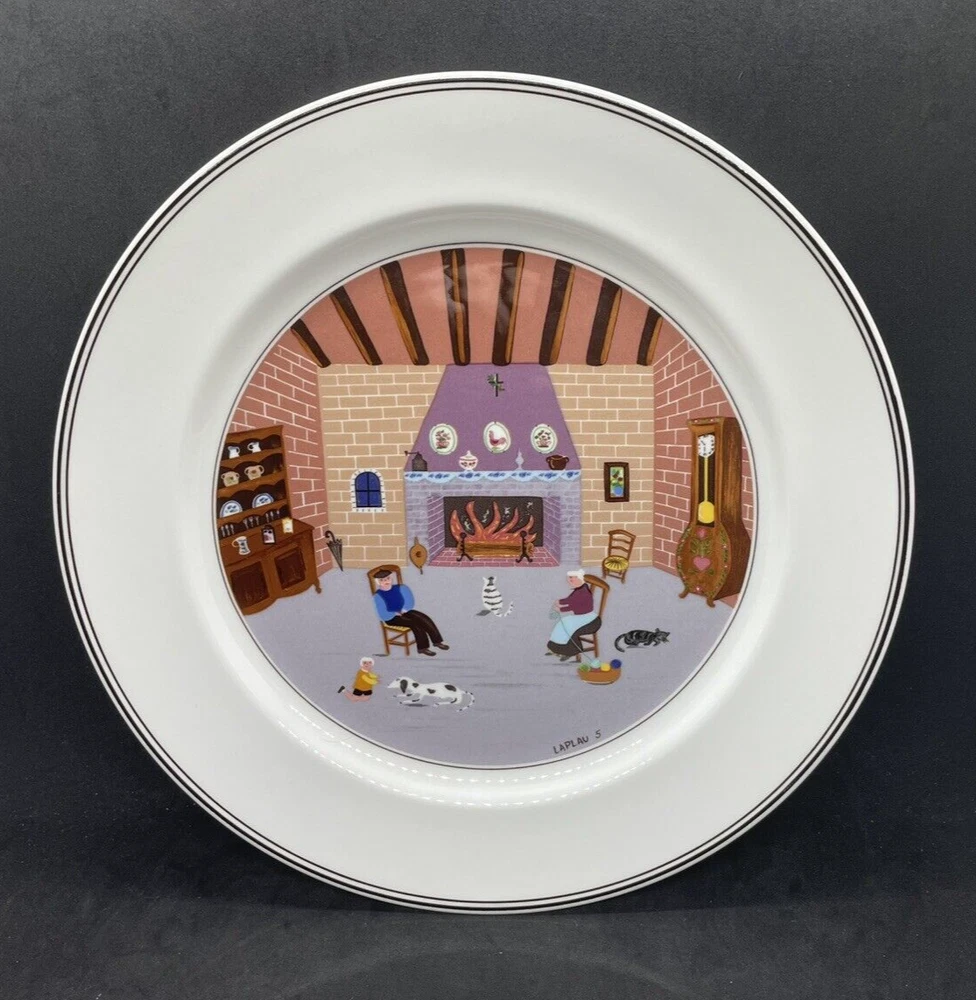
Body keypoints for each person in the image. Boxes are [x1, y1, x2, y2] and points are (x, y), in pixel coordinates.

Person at [372, 570, 449, 657]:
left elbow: (409, 601)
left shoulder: (401, 588)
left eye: (388, 578)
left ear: (391, 578)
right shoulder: (378, 596)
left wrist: (404, 610)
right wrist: (395, 613)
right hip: (391, 617)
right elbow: (382, 613)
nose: (386, 581)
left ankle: (437, 641)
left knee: (424, 618)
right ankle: (422, 648)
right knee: (414, 624)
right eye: (382, 580)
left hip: (405, 611)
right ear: (378, 582)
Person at [546, 569, 598, 660]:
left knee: (568, 627)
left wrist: (560, 607)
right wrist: (560, 603)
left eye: (571, 578)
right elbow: (570, 600)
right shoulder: (579, 590)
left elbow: (573, 604)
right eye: (569, 579)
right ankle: (555, 649)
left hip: (590, 620)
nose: (569, 581)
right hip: (581, 617)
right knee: (561, 624)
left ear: (579, 578)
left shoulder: (583, 592)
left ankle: (570, 651)